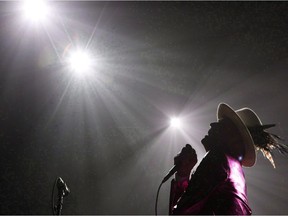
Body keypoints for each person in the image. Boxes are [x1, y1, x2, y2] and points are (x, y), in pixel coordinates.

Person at [169, 103, 287, 215]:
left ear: (235, 137)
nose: (212, 125)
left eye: (221, 124)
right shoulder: (236, 172)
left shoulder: (218, 158)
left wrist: (181, 178)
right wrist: (183, 175)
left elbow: (182, 211)